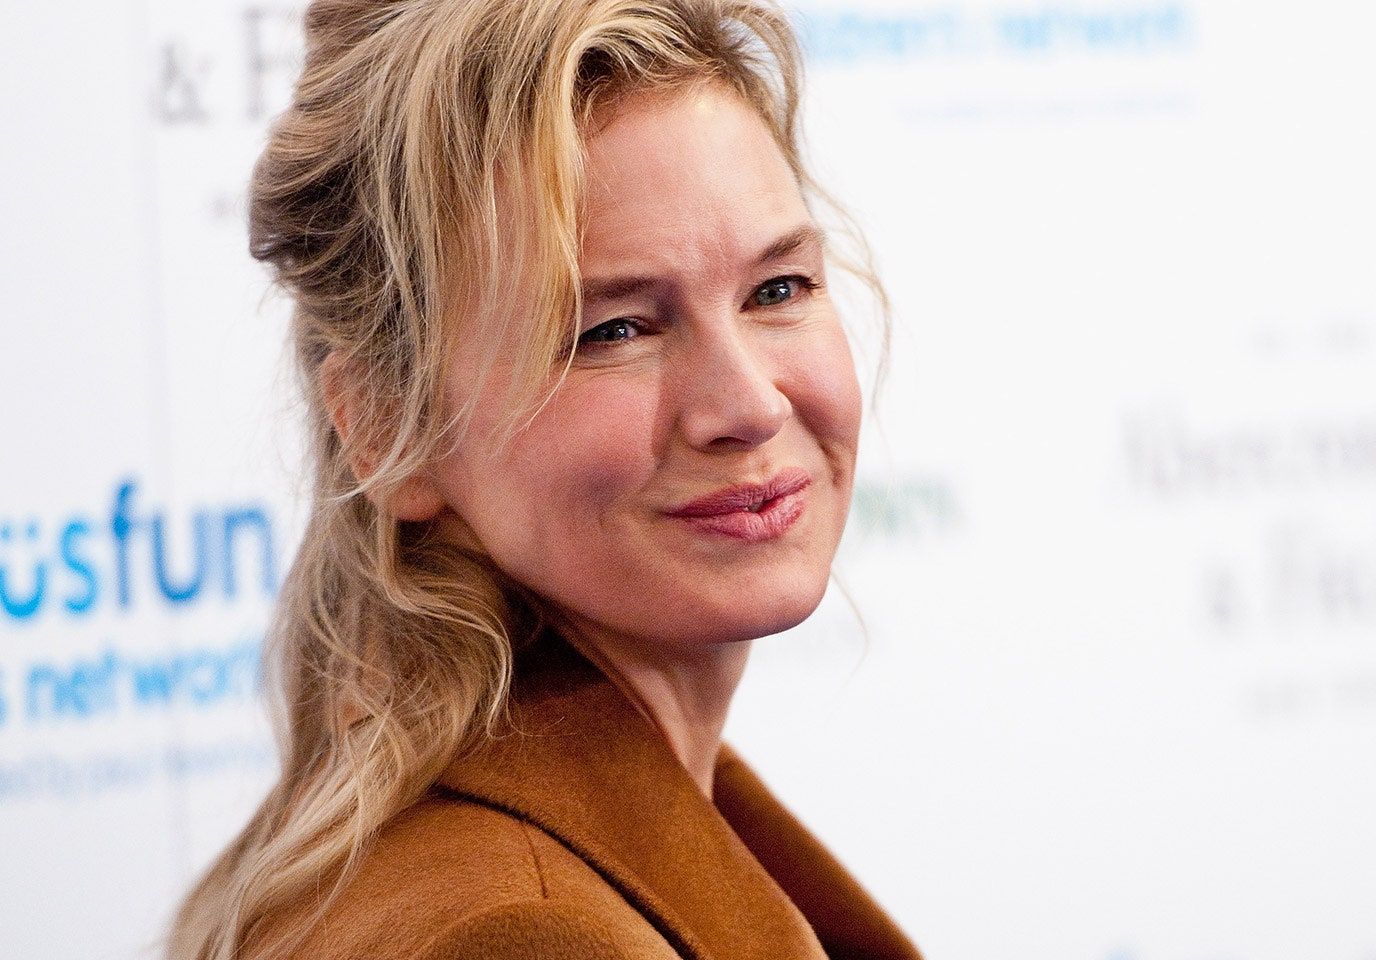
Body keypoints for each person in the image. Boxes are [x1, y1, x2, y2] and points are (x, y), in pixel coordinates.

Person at [167, 1, 922, 958]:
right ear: (388, 426)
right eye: (614, 330)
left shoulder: (536, 865)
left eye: (778, 289)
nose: (749, 405)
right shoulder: (520, 932)